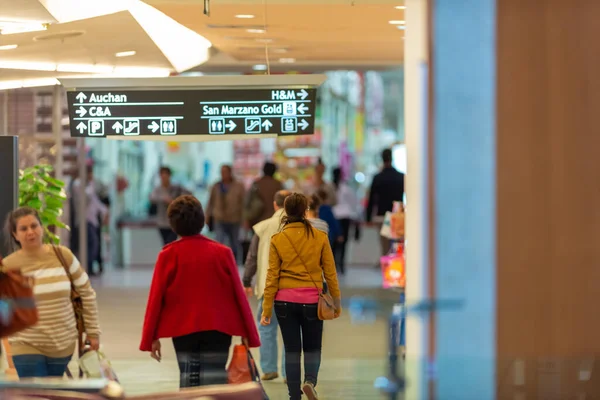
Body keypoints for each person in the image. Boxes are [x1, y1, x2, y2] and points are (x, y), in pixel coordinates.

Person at [140, 195, 260, 388]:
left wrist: (151, 337)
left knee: (189, 380)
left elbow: (156, 299)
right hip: (219, 327)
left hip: (182, 328)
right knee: (215, 381)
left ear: (173, 225)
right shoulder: (222, 252)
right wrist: (247, 332)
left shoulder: (168, 255)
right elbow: (238, 294)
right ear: (202, 221)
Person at [2, 207, 101, 378]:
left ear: (42, 228)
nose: (30, 232)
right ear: (15, 235)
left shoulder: (63, 256)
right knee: (37, 393)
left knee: (53, 391)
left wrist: (93, 332)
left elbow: (86, 293)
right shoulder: (8, 266)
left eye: (34, 226)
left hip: (62, 344)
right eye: (23, 229)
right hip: (25, 343)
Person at [261, 193, 341, 400]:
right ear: (306, 211)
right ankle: (310, 381)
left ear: (285, 211)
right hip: (312, 301)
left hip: (284, 302)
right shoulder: (319, 237)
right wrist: (337, 302)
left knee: (292, 350)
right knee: (313, 347)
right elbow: (330, 274)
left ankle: (293, 396)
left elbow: (272, 277)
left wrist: (267, 308)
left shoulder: (278, 239)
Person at [243, 190, 291, 382]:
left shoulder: (262, 227)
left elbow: (252, 257)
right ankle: (290, 372)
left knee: (266, 327)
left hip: (267, 287)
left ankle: (269, 369)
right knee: (291, 330)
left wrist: (247, 279)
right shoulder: (302, 227)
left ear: (274, 205)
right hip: (293, 288)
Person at [366, 149, 405, 259]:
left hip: (382, 215)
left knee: (385, 247)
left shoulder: (378, 178)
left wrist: (368, 217)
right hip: (397, 215)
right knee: (398, 245)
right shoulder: (401, 177)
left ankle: (387, 268)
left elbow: (371, 198)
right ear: (392, 158)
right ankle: (397, 269)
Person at [71, 165, 109, 276]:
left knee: (94, 244)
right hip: (84, 221)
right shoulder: (78, 185)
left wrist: (105, 212)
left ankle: (89, 267)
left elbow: (95, 202)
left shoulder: (89, 185)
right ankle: (86, 267)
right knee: (92, 244)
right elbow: (86, 199)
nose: (91, 176)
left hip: (93, 220)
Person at [206, 165, 246, 263]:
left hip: (234, 219)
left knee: (234, 244)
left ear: (230, 172)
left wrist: (245, 219)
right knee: (219, 242)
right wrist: (207, 215)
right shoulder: (216, 186)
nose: (224, 174)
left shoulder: (238, 186)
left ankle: (235, 263)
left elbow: (243, 203)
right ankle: (219, 263)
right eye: (222, 172)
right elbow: (210, 202)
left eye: (225, 172)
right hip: (219, 218)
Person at [149, 166, 190, 246]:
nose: (164, 177)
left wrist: (176, 201)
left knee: (171, 243)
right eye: (162, 175)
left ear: (169, 175)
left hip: (173, 222)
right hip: (162, 221)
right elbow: (152, 198)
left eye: (166, 174)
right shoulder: (158, 189)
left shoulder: (176, 188)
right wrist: (164, 199)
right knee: (165, 244)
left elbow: (188, 194)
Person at [332, 167, 359, 275]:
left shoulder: (333, 188)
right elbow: (353, 204)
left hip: (334, 217)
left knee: (333, 242)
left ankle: (334, 264)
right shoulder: (346, 189)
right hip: (344, 217)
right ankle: (341, 264)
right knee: (343, 243)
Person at [245, 162, 284, 227]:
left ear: (263, 170)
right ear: (274, 171)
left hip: (258, 219)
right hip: (275, 219)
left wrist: (247, 218)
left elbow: (248, 201)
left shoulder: (256, 184)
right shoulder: (279, 185)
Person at [315, 190, 342, 254]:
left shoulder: (314, 208)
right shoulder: (327, 209)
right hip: (328, 235)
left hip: (316, 234)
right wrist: (339, 234)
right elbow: (333, 222)